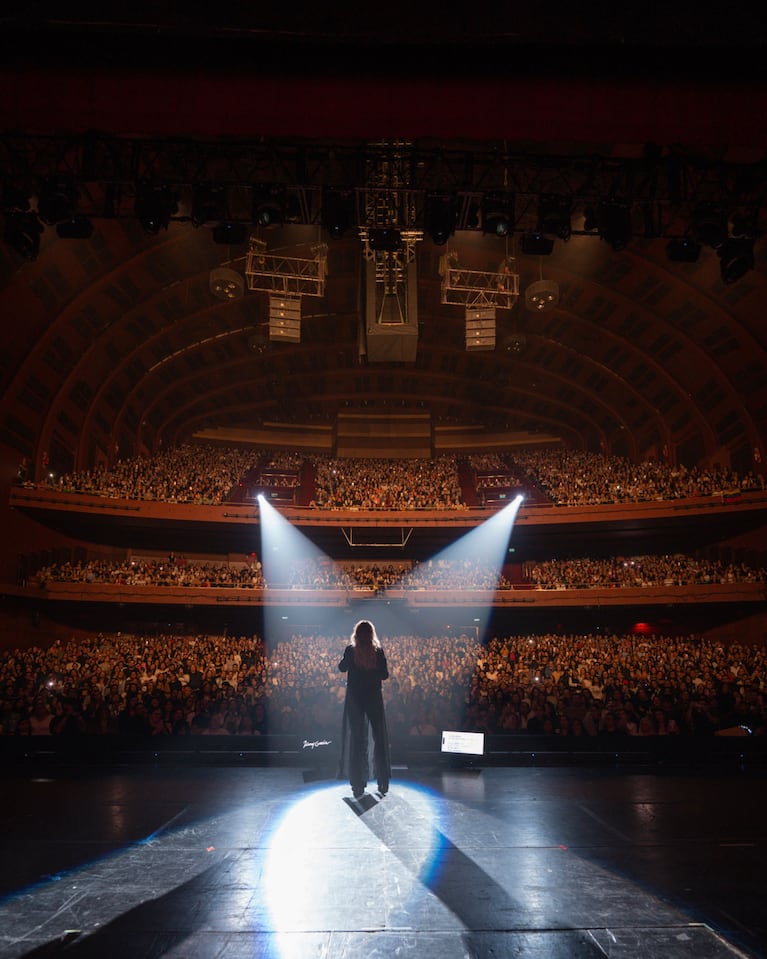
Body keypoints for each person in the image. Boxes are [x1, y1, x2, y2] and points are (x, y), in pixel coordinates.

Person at [338, 619, 391, 799]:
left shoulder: (350, 650)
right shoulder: (378, 651)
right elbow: (385, 675)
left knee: (357, 739)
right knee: (379, 736)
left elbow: (341, 667)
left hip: (355, 699)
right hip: (373, 697)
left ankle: (357, 783)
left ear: (356, 634)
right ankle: (382, 780)